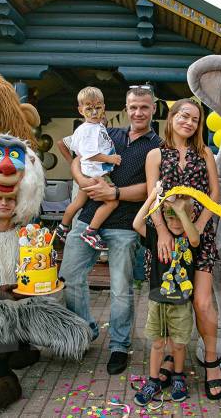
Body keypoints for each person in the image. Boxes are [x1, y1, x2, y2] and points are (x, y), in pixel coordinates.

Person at [0, 134, 90, 411]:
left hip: (22, 303)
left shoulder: (28, 234)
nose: (4, 203)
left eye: (10, 199)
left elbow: (38, 272)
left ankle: (16, 346)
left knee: (77, 333)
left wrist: (46, 280)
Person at [59, 86, 161, 375]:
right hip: (87, 216)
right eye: (133, 107)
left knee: (120, 289)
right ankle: (86, 329)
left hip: (124, 226)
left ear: (153, 109)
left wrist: (115, 192)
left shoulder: (157, 146)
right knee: (71, 276)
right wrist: (82, 180)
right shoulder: (108, 133)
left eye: (144, 107)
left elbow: (151, 190)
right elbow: (78, 156)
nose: (138, 112)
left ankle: (118, 344)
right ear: (126, 108)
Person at [144, 98, 221, 399]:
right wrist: (162, 232)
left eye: (194, 119)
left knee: (201, 302)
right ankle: (168, 356)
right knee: (168, 299)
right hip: (164, 238)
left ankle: (211, 361)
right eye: (183, 115)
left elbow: (214, 193)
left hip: (199, 237)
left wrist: (200, 226)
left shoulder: (205, 154)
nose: (188, 122)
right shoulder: (155, 155)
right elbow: (153, 197)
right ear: (172, 118)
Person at [132, 185, 199, 405]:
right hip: (157, 302)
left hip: (180, 304)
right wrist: (153, 197)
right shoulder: (157, 237)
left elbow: (196, 239)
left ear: (189, 216)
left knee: (179, 344)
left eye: (180, 218)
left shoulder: (190, 237)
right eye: (171, 219)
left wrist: (180, 209)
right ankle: (153, 380)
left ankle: (178, 376)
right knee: (158, 344)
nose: (176, 223)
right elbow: (137, 223)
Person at [55, 86, 122, 250]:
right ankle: (91, 231)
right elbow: (89, 154)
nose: (94, 112)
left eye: (98, 108)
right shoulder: (90, 129)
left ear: (104, 108)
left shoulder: (90, 128)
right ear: (80, 110)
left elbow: (79, 151)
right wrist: (110, 158)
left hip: (88, 172)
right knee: (112, 202)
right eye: (89, 108)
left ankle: (62, 228)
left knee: (78, 202)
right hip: (97, 174)